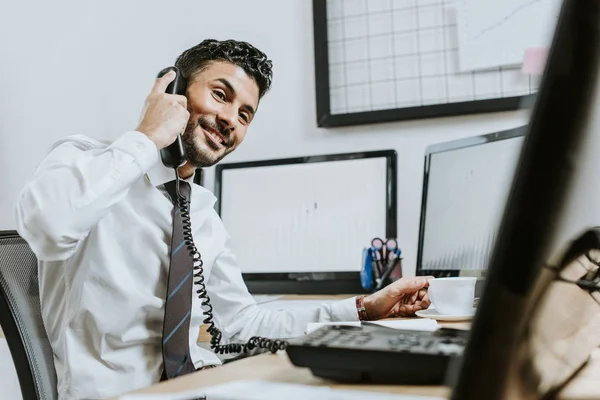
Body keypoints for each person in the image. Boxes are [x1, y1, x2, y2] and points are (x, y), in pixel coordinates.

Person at [14, 39, 431, 400]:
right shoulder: (86, 162)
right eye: (220, 94)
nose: (231, 118)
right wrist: (147, 136)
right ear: (173, 89)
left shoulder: (201, 211)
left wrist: (362, 309)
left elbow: (242, 323)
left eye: (245, 114)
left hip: (202, 388)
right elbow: (48, 229)